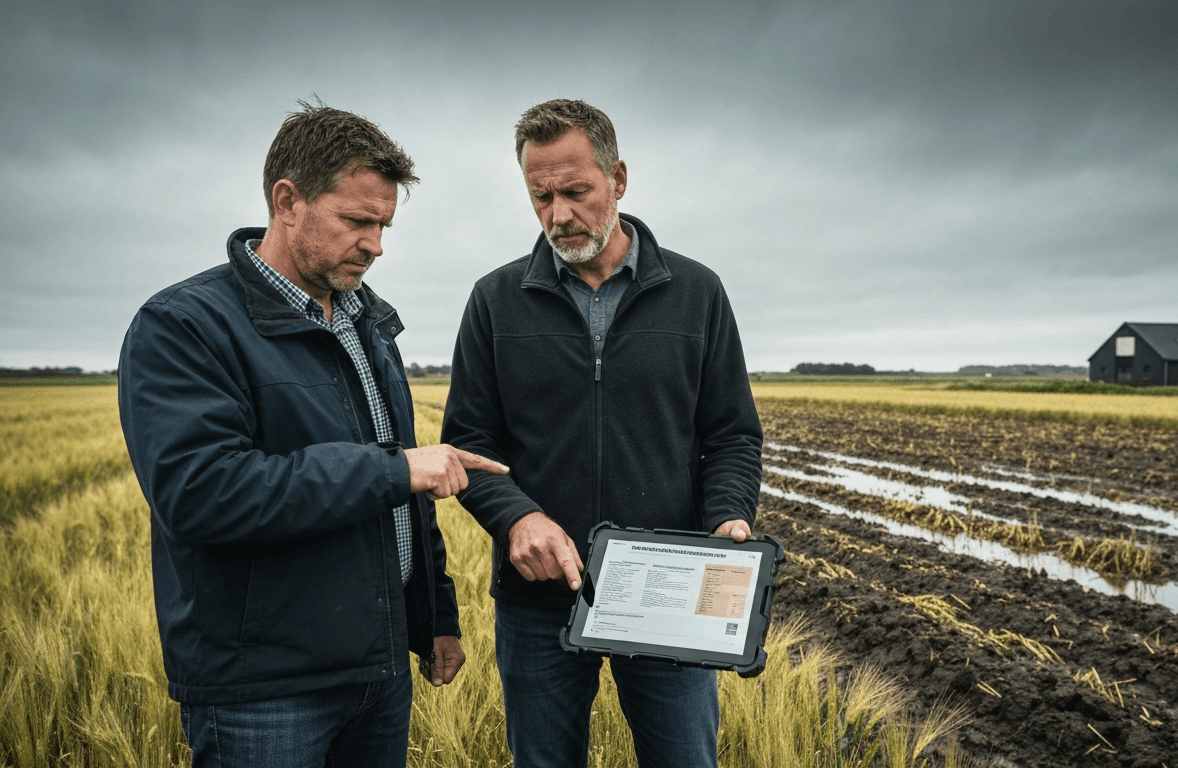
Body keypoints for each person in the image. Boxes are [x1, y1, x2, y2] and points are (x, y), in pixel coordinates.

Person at [118, 103, 508, 767]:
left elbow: (405, 488)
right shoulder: (183, 326)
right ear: (287, 200)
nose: (377, 244)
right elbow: (201, 493)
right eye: (357, 220)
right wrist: (395, 470)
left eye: (384, 224)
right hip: (265, 689)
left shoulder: (367, 327)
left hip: (379, 669)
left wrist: (434, 616)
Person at [440, 99, 763, 768]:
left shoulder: (697, 292)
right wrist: (517, 519)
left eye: (576, 191)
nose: (559, 214)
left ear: (618, 178)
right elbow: (470, 442)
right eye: (540, 197)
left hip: (669, 588)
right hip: (539, 601)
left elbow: (731, 434)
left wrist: (728, 515)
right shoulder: (494, 301)